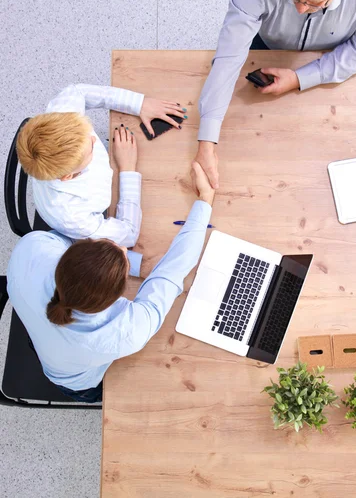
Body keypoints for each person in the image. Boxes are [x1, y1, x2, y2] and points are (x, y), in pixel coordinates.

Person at [6, 162, 215, 403]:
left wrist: (136, 265)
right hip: (75, 381)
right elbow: (174, 269)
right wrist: (206, 200)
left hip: (41, 332)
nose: (125, 248)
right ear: (118, 297)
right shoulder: (126, 333)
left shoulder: (31, 249)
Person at [196, 0, 356, 188]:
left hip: (332, 56)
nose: (300, 9)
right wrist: (207, 141)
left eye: (315, 3)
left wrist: (300, 77)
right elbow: (228, 58)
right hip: (267, 46)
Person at [16, 84, 187, 247]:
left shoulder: (61, 116)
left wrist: (139, 103)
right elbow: (128, 234)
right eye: (91, 149)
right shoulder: (72, 216)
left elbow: (78, 92)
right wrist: (128, 169)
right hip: (105, 197)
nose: (93, 139)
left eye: (86, 132)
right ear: (69, 176)